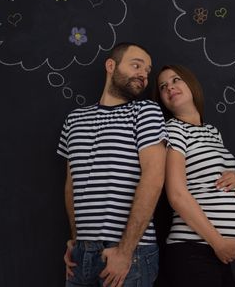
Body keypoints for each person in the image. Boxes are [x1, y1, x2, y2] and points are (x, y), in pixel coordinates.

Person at [57, 43, 168, 287]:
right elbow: (71, 185)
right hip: (80, 256)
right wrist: (76, 241)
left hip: (129, 254)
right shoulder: (74, 120)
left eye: (147, 71)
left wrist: (125, 251)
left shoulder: (146, 111)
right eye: (136, 65)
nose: (143, 74)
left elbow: (153, 178)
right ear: (111, 66)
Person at [154, 65, 235, 287]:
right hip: (193, 248)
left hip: (213, 250)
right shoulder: (173, 130)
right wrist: (218, 242)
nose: (170, 87)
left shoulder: (212, 131)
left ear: (191, 84)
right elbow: (177, 195)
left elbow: (217, 174)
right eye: (163, 86)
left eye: (176, 80)